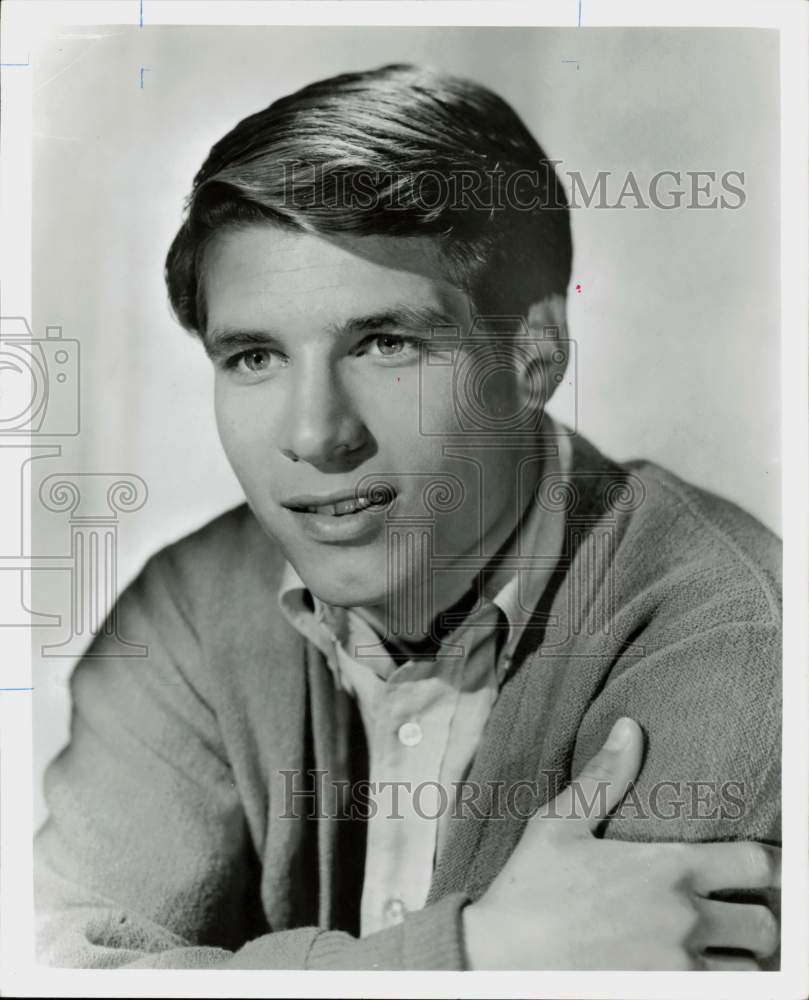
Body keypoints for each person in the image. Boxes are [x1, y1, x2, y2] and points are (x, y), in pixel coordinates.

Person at [34, 64, 781, 971]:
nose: (316, 435)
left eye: (386, 344)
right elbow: (57, 970)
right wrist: (473, 957)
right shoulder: (185, 610)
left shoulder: (734, 630)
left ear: (534, 357)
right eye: (255, 356)